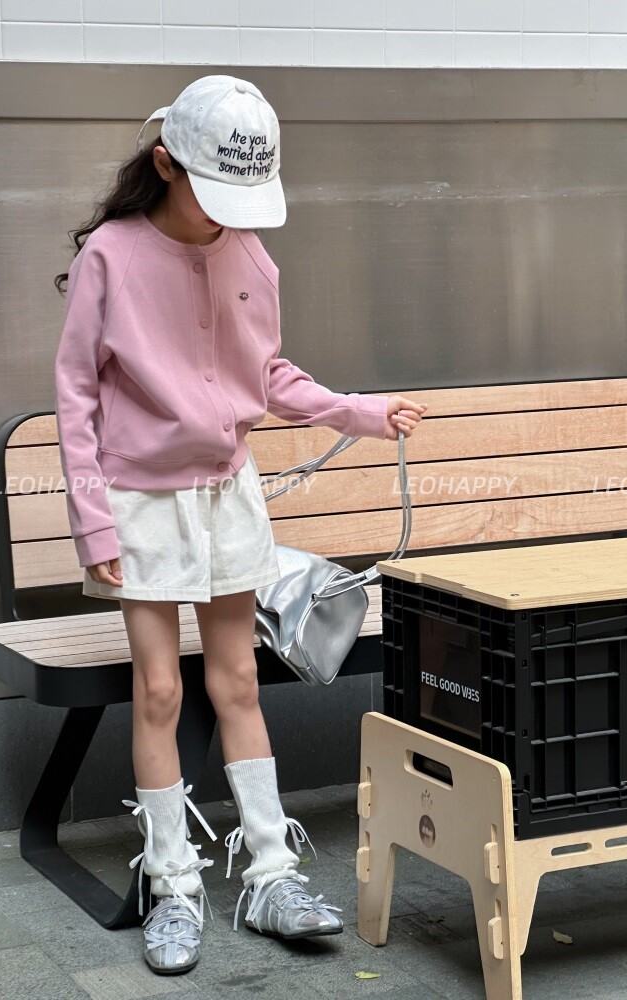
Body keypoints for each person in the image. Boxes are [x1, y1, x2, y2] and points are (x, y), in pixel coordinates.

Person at [52, 74, 428, 976]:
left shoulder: (251, 254)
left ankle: (269, 874)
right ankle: (173, 884)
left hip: (229, 495)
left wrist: (359, 411)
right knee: (159, 691)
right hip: (141, 504)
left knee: (239, 683)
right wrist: (93, 523)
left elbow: (266, 375)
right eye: (213, 191)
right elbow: (75, 396)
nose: (229, 216)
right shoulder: (111, 254)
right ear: (164, 164)